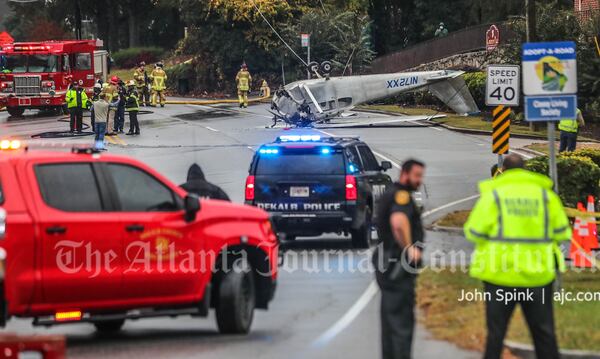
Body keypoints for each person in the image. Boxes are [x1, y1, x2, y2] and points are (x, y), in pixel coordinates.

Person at [464, 153, 571, 359]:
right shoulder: (544, 196)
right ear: (527, 171)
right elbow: (562, 232)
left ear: (503, 171)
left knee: (496, 334)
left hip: (499, 276)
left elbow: (474, 232)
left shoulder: (494, 195)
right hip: (537, 276)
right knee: (544, 333)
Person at [373, 159, 425, 359]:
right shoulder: (401, 197)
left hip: (387, 263)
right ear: (405, 174)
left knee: (390, 319)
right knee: (401, 324)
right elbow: (398, 221)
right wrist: (410, 248)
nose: (419, 180)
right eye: (417, 175)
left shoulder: (391, 193)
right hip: (397, 264)